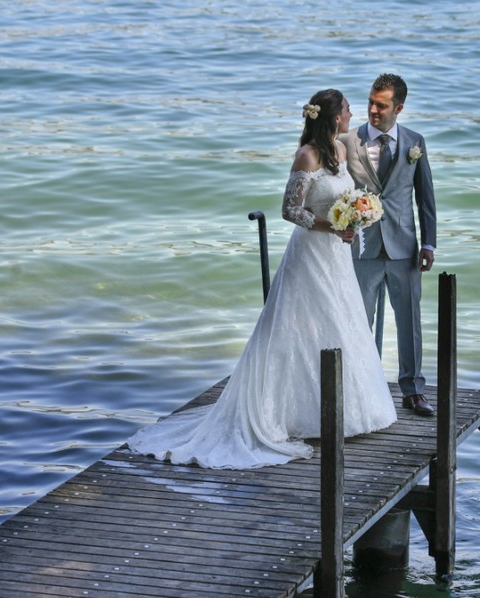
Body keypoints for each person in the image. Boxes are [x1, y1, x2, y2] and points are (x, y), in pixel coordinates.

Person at [127, 89, 397, 469]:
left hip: (337, 253)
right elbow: (290, 210)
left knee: (338, 321)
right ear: (334, 117)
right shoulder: (307, 154)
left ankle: (347, 407)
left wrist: (353, 217)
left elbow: (345, 195)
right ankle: (291, 413)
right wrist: (331, 225)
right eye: (349, 109)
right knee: (298, 324)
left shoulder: (338, 150)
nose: (353, 114)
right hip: (311, 253)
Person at [341, 74, 437, 417]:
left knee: (409, 321)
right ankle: (360, 390)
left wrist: (429, 243)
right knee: (358, 322)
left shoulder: (415, 142)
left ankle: (413, 391)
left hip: (404, 248)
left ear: (399, 107)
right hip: (361, 248)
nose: (372, 110)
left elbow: (426, 197)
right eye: (369, 102)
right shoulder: (347, 141)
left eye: (381, 105)